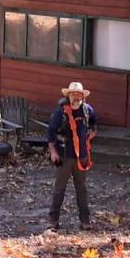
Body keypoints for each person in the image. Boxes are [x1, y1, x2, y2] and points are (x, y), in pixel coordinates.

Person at [46, 82, 96, 231]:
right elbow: (50, 133)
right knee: (59, 189)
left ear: (83, 96)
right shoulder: (60, 112)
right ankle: (53, 221)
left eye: (79, 93)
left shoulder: (88, 111)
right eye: (73, 93)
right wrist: (53, 152)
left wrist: (92, 133)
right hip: (64, 155)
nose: (76, 96)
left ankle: (85, 220)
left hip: (82, 156)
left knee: (81, 189)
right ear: (68, 95)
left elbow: (93, 125)